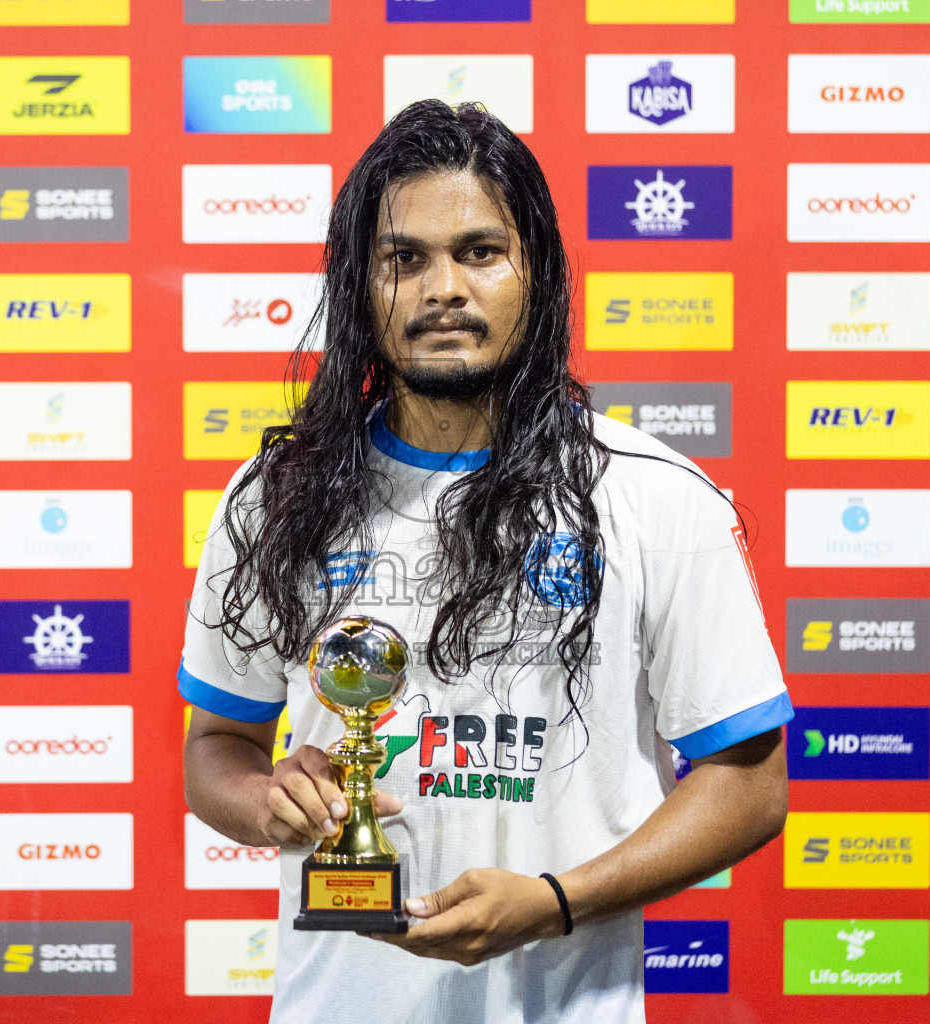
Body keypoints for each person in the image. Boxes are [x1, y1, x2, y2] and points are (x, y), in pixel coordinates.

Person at [180, 99, 791, 1024]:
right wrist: (272, 802)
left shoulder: (652, 495)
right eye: (404, 258)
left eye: (478, 251)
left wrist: (556, 901)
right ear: (358, 284)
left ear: (534, 274)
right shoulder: (274, 496)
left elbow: (749, 785)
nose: (442, 289)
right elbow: (215, 752)